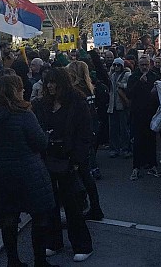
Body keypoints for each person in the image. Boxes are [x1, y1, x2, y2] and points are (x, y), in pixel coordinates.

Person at [0, 74, 56, 267]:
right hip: (27, 172)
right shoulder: (25, 115)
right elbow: (39, 142)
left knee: (8, 218)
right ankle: (40, 261)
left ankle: (13, 261)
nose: (24, 90)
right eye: (21, 88)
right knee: (40, 216)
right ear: (15, 91)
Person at [32, 68, 93, 262]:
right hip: (48, 157)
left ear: (62, 83)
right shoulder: (43, 104)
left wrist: (77, 160)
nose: (49, 86)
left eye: (53, 82)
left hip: (69, 159)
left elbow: (85, 134)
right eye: (47, 82)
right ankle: (54, 241)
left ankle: (82, 244)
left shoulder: (77, 103)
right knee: (50, 204)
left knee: (72, 204)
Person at [66, 61, 104, 221]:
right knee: (84, 172)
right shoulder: (89, 87)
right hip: (90, 131)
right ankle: (93, 206)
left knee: (81, 172)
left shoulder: (76, 90)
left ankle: (88, 205)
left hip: (81, 135)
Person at [127, 56, 161, 180]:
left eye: (146, 65)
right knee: (138, 141)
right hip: (137, 113)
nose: (144, 67)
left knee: (151, 140)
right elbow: (129, 94)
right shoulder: (133, 77)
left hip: (150, 113)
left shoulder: (154, 76)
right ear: (138, 65)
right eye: (142, 65)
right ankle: (136, 166)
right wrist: (139, 83)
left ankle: (152, 164)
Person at [107, 58, 132, 158]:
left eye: (118, 65)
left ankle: (125, 148)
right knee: (113, 129)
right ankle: (114, 148)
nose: (116, 67)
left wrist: (120, 85)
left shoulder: (126, 74)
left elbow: (129, 85)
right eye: (115, 65)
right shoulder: (112, 75)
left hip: (122, 105)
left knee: (124, 128)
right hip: (113, 105)